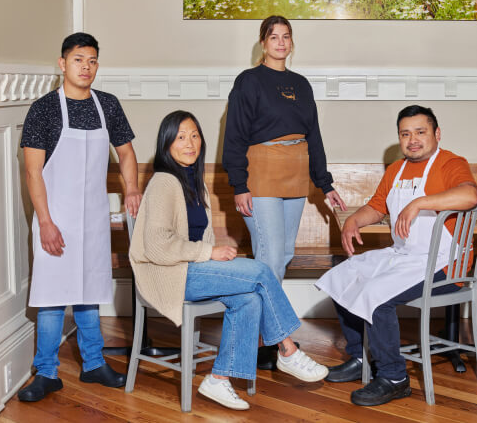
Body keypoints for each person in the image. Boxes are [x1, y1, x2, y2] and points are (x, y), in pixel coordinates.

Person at [129, 111, 329, 411]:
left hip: (192, 269)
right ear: (166, 144)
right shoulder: (163, 182)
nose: (190, 143)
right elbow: (157, 246)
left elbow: (200, 238)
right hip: (169, 275)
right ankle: (288, 349)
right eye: (181, 137)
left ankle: (219, 379)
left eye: (195, 135)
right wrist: (209, 254)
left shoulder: (194, 182)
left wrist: (210, 255)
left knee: (249, 298)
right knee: (261, 271)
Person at [316, 105, 477, 406]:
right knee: (342, 278)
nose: (413, 140)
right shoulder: (396, 169)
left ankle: (394, 378)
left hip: (444, 264)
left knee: (376, 294)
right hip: (405, 256)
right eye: (406, 134)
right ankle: (360, 358)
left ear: (436, 134)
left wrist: (419, 203)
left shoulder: (451, 163)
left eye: (420, 132)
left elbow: (470, 196)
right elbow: (377, 207)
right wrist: (354, 220)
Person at [17, 33, 141, 402]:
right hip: (54, 217)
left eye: (92, 61)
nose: (86, 67)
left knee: (89, 292)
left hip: (93, 219)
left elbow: (127, 153)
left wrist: (132, 188)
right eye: (78, 60)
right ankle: (47, 372)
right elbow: (33, 172)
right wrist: (46, 222)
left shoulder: (108, 105)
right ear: (62, 63)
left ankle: (93, 364)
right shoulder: (43, 109)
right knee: (53, 296)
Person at [222, 14, 346, 369]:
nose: (280, 42)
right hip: (260, 174)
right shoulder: (248, 82)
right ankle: (271, 339)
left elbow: (315, 136)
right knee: (270, 258)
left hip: (295, 174)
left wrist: (325, 183)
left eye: (286, 37)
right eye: (273, 36)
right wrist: (239, 185)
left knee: (283, 255)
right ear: (262, 43)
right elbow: (234, 136)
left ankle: (263, 336)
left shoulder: (302, 84)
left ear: (291, 43)